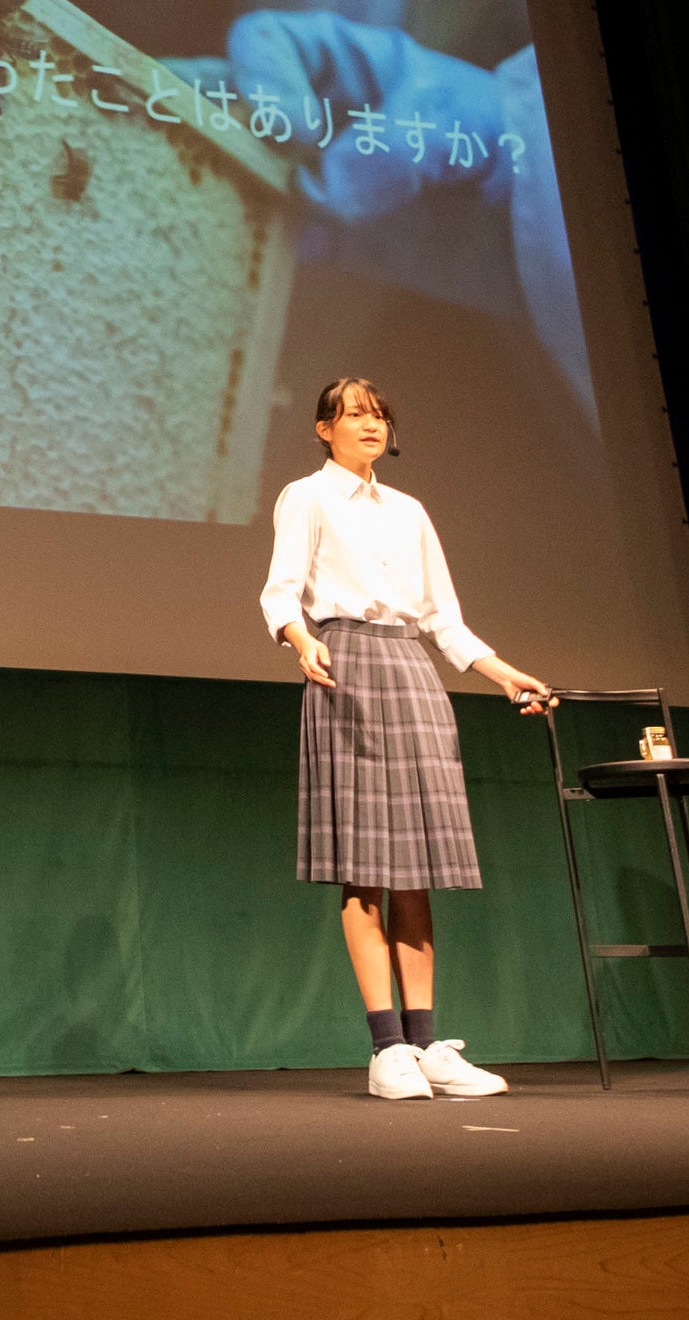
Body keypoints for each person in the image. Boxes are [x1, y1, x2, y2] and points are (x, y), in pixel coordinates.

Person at [260, 375, 559, 1101]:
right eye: (354, 415)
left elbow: (442, 619)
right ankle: (386, 1049)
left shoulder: (409, 510)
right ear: (324, 429)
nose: (370, 425)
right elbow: (280, 590)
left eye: (379, 416)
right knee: (365, 867)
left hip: (411, 669)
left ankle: (426, 1045)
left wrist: (505, 675)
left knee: (416, 866)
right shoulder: (308, 496)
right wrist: (301, 638)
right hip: (345, 660)